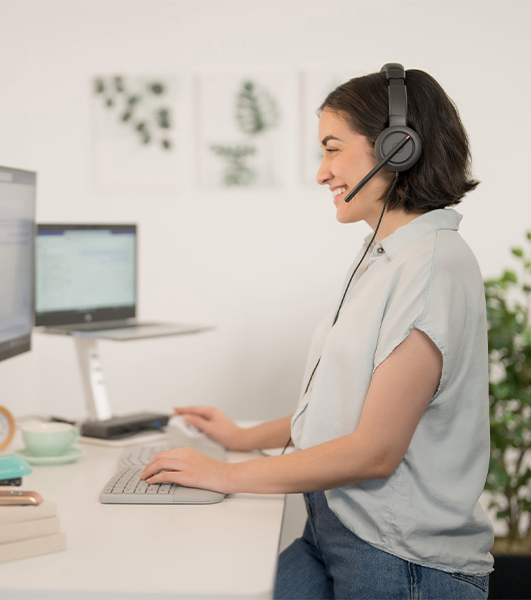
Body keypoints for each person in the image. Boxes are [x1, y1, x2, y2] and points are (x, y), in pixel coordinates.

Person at [140, 65, 494, 599]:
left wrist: (225, 474)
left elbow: (374, 450)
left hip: (400, 561)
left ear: (398, 149)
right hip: (339, 533)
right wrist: (242, 437)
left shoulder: (430, 268)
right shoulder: (386, 257)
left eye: (332, 149)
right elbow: (344, 407)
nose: (321, 172)